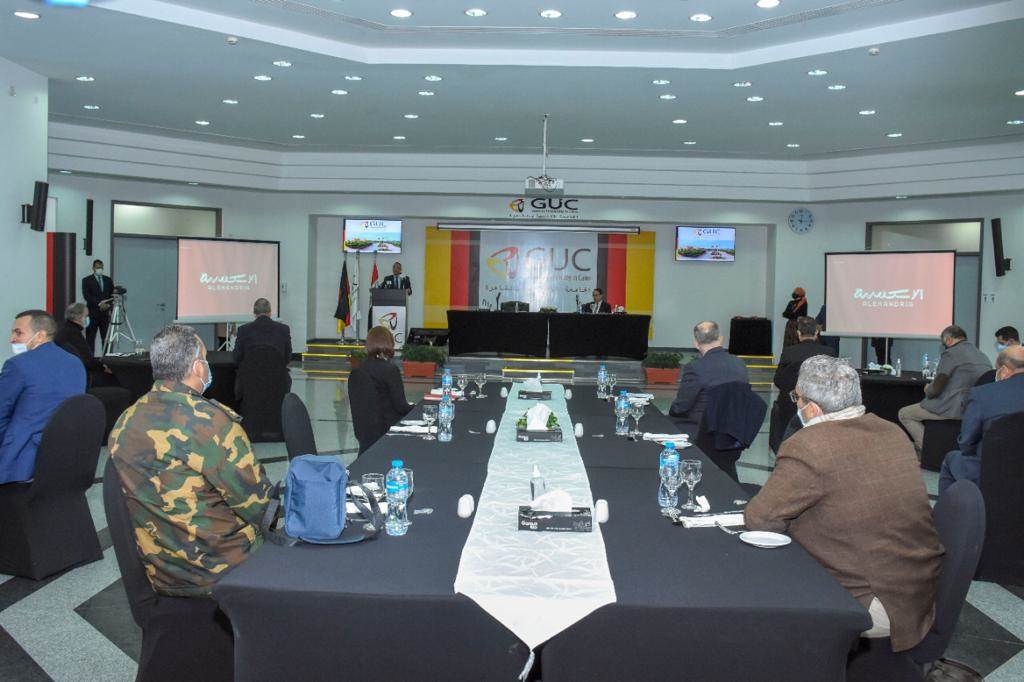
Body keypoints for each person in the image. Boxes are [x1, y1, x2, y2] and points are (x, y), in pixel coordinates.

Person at [745, 356, 943, 653]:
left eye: (797, 398)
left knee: (758, 589)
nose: (796, 405)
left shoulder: (808, 444)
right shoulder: (891, 431)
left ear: (812, 408)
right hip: (917, 591)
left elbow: (760, 520)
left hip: (873, 601)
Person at [109, 324, 271, 596]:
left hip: (161, 570)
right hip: (221, 569)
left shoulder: (126, 421)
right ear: (197, 368)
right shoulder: (211, 423)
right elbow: (258, 506)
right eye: (205, 360)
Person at [0, 310, 86, 484]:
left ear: (40, 336)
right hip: (65, 459)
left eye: (18, 333)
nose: (12, 339)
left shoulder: (17, 365)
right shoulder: (75, 363)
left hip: (20, 462)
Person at [938, 345, 1024, 493]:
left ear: (1004, 371)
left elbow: (966, 444)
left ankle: (952, 507)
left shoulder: (982, 394)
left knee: (951, 459)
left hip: (992, 471)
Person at [898, 325, 991, 455]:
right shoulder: (982, 355)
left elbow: (936, 389)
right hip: (974, 408)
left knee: (905, 413)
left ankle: (926, 450)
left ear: (948, 340)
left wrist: (927, 389)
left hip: (953, 407)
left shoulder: (951, 354)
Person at [669, 321, 749, 437]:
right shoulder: (740, 363)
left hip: (700, 431)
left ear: (696, 343)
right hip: (733, 432)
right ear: (721, 339)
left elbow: (681, 407)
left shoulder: (695, 367)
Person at [770, 316, 837, 453]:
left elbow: (778, 380)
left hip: (791, 406)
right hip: (821, 405)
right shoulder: (829, 353)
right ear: (817, 332)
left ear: (799, 333)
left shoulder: (789, 352)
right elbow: (834, 381)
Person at [358, 325, 413, 429]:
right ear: (390, 343)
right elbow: (401, 407)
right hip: (389, 425)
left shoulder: (360, 367)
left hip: (366, 427)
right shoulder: (390, 369)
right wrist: (418, 408)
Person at [55, 302, 119, 388]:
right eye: (86, 316)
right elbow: (87, 360)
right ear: (79, 317)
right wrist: (104, 368)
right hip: (79, 375)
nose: (88, 318)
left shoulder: (62, 327)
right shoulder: (74, 333)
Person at [81, 259, 114, 354]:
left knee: (106, 339)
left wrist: (108, 305)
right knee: (90, 339)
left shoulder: (108, 280)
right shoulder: (87, 280)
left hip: (105, 315)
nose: (100, 269)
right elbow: (87, 296)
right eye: (98, 267)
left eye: (101, 267)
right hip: (92, 314)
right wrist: (99, 304)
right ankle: (90, 359)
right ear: (93, 268)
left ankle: (107, 358)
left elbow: (112, 295)